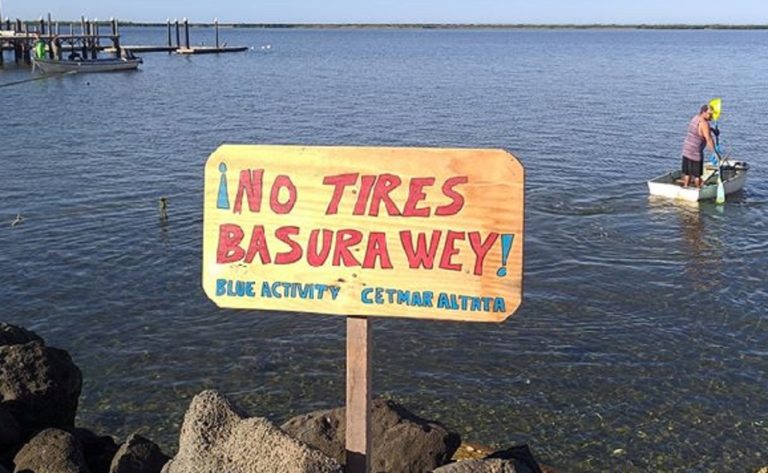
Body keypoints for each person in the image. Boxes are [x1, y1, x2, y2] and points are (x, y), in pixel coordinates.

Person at [680, 104, 716, 188]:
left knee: (687, 173)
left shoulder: (695, 118)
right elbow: (709, 139)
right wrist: (715, 152)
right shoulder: (705, 124)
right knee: (697, 176)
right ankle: (698, 189)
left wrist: (712, 130)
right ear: (703, 112)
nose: (711, 116)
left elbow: (700, 130)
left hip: (686, 150)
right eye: (709, 114)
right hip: (695, 153)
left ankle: (685, 186)